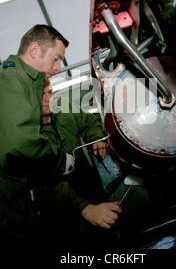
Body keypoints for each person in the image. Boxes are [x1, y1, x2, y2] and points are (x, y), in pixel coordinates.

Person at [0, 24, 80, 249]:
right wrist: (60, 161)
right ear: (34, 50)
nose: (59, 67)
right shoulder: (9, 79)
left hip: (0, 190)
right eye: (56, 58)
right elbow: (18, 144)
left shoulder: (23, 84)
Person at [35, 79, 122, 249]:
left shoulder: (63, 106)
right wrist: (85, 209)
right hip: (58, 194)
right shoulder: (26, 133)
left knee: (108, 229)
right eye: (41, 95)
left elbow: (88, 123)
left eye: (50, 93)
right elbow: (44, 185)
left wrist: (96, 138)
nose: (48, 99)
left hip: (86, 179)